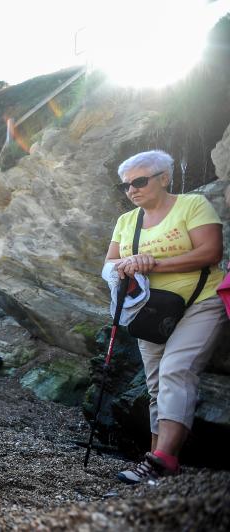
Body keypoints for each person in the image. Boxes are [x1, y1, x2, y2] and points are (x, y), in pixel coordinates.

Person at [105, 150, 226, 484]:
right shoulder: (126, 222)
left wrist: (152, 262)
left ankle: (164, 460)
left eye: (139, 182)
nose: (132, 190)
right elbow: (110, 265)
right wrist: (130, 265)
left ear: (164, 178)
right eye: (126, 186)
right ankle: (154, 460)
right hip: (149, 311)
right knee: (156, 383)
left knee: (176, 370)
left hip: (200, 301)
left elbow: (211, 251)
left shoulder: (193, 205)